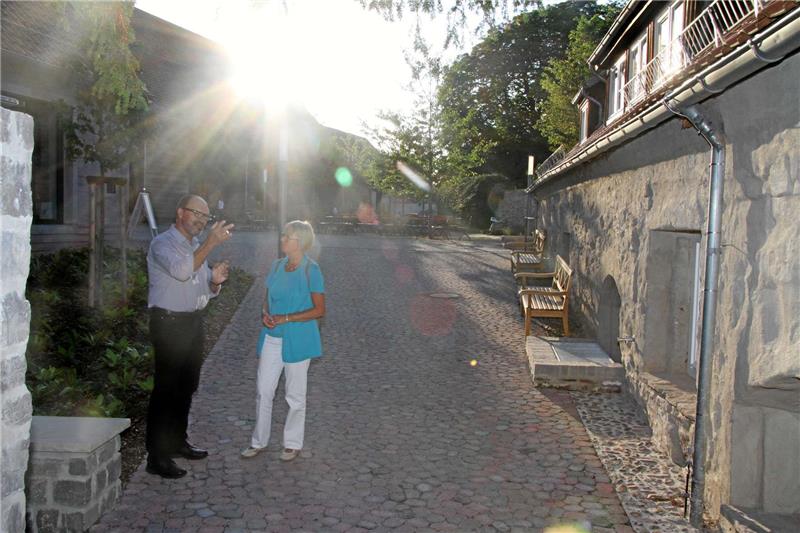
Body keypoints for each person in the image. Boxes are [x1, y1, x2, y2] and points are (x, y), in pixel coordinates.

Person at [145, 194, 235, 478]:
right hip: (169, 324)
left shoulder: (195, 246)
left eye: (205, 216)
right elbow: (183, 271)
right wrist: (211, 242)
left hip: (192, 323)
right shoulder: (162, 244)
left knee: (186, 386)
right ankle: (156, 456)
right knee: (166, 389)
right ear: (180, 212)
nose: (201, 220)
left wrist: (215, 282)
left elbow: (203, 289)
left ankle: (177, 441)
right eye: (196, 213)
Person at [241, 220, 325, 462]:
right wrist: (265, 314)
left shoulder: (312, 270)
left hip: (298, 339)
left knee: (295, 395)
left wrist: (287, 318)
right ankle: (258, 441)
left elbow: (319, 310)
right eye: (283, 235)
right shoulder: (277, 265)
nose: (282, 240)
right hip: (272, 337)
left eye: (287, 237)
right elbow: (267, 299)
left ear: (300, 242)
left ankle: (292, 443)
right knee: (263, 391)